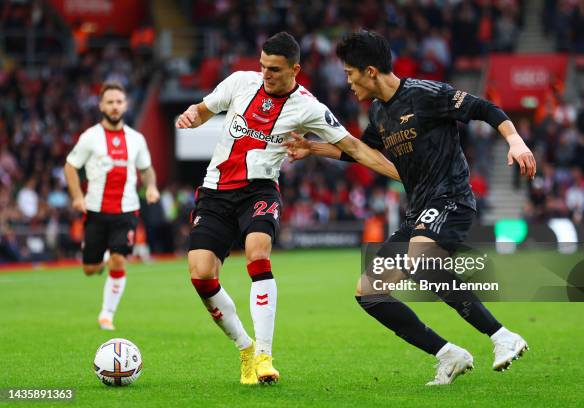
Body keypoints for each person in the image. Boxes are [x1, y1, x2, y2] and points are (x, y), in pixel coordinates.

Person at [283, 30, 536, 386]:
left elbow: (485, 108)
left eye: (350, 73)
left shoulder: (425, 94)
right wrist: (313, 148)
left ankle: (501, 336)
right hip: (419, 210)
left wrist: (516, 142)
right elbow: (358, 150)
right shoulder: (379, 112)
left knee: (419, 260)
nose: (348, 81)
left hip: (451, 198)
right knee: (368, 291)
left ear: (370, 71)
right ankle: (448, 354)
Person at [175, 32, 398, 385]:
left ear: (295, 69)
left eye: (275, 70)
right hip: (215, 190)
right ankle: (245, 347)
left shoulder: (309, 108)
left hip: (260, 189)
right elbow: (203, 110)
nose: (266, 74)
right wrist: (191, 115)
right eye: (263, 66)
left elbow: (354, 148)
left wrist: (404, 174)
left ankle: (264, 355)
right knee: (201, 274)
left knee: (257, 251)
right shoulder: (240, 82)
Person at [64, 82, 160, 331]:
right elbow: (70, 166)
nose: (115, 106)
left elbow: (146, 168)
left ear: (125, 105)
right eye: (110, 102)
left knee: (119, 261)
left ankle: (107, 314)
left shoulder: (136, 139)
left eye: (119, 102)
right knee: (90, 268)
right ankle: (104, 256)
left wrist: (151, 187)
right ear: (101, 106)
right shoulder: (90, 137)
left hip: (127, 211)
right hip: (95, 211)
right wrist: (76, 196)